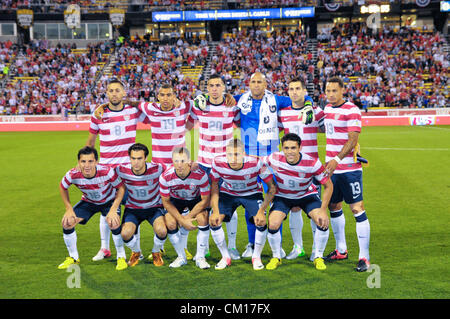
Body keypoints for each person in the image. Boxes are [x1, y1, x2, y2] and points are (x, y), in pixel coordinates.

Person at [232, 72, 293, 259]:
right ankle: (251, 244)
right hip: (249, 160)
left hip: (271, 160)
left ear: (266, 84)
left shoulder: (276, 99)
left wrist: (307, 104)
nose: (256, 85)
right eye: (253, 82)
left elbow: (302, 97)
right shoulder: (239, 99)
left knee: (275, 202)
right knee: (251, 203)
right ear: (248, 84)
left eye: (260, 82)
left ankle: (278, 244)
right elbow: (217, 98)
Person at [86, 78, 146, 262]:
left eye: (117, 90)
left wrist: (133, 102)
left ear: (123, 93)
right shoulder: (99, 114)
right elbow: (90, 141)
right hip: (106, 170)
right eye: (110, 90)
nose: (113, 93)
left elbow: (152, 114)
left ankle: (137, 250)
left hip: (129, 170)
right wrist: (91, 164)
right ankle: (105, 248)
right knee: (106, 210)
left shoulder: (133, 111)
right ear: (107, 93)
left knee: (134, 208)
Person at [261, 133, 333, 271]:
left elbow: (328, 185)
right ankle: (276, 257)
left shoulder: (312, 163)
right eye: (286, 148)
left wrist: (323, 210)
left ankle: (318, 256)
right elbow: (258, 161)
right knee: (274, 223)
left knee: (322, 220)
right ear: (282, 148)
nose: (290, 152)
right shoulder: (274, 158)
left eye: (293, 148)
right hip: (283, 196)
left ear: (300, 147)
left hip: (306, 194)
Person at [188, 74, 241, 259]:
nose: (215, 88)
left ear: (223, 87)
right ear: (207, 88)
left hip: (225, 165)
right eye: (211, 85)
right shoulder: (199, 106)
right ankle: (204, 248)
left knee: (228, 207)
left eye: (218, 85)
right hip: (204, 164)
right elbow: (186, 125)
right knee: (204, 207)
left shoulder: (232, 106)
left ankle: (232, 247)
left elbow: (242, 123)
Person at [323, 76, 371, 272]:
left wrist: (337, 159)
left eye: (334, 90)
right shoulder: (326, 109)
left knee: (357, 208)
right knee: (334, 206)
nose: (331, 94)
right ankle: (341, 249)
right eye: (328, 91)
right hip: (331, 170)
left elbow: (352, 140)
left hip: (348, 170)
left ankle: (364, 257)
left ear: (343, 90)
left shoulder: (352, 109)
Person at [209, 138, 276, 270]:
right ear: (225, 154)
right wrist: (215, 210)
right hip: (228, 193)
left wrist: (262, 209)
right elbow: (215, 185)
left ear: (244, 154)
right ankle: (225, 257)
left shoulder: (256, 163)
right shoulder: (217, 163)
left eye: (237, 154)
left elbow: (272, 187)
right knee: (214, 220)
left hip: (251, 193)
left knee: (261, 221)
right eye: (229, 155)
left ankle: (256, 257)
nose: (233, 159)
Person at [58, 146, 128, 271]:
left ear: (96, 161)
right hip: (89, 202)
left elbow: (121, 188)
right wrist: (68, 208)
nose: (87, 165)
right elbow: (63, 186)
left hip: (109, 201)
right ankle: (73, 257)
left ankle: (121, 257)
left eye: (90, 161)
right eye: (83, 161)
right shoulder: (73, 174)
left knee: (114, 221)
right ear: (79, 162)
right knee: (67, 223)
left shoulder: (107, 171)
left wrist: (114, 208)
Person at [278, 77, 325, 261]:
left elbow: (329, 128)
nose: (294, 92)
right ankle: (298, 247)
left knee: (316, 208)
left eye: (298, 88)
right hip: (291, 169)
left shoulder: (315, 111)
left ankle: (315, 248)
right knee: (295, 208)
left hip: (313, 167)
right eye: (291, 89)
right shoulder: (283, 113)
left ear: (305, 91)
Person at [117, 143, 186, 268]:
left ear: (146, 158)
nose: (136, 162)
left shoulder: (157, 168)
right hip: (133, 209)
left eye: (139, 158)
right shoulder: (122, 170)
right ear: (129, 158)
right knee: (125, 234)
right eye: (133, 158)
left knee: (162, 230)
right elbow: (104, 172)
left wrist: (188, 165)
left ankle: (156, 252)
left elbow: (174, 170)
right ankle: (136, 252)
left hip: (154, 208)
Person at [159, 147, 211, 269]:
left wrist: (188, 217)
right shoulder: (165, 177)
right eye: (176, 161)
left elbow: (205, 200)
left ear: (189, 161)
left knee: (203, 218)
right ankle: (181, 257)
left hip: (195, 200)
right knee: (170, 223)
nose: (179, 165)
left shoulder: (200, 175)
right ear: (172, 161)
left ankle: (200, 257)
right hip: (176, 200)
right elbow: (166, 202)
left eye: (183, 161)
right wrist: (181, 220)